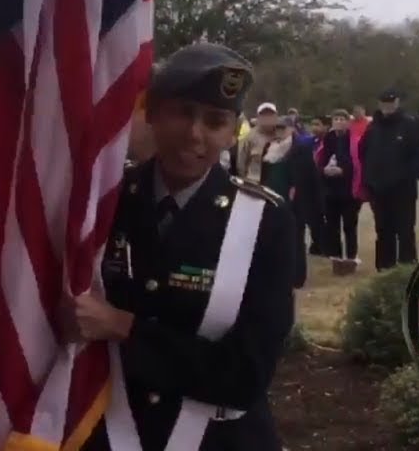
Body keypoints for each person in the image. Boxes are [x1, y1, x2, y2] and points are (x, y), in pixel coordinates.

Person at [74, 42, 295, 451]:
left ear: (232, 134)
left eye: (214, 121)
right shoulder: (108, 204)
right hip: (113, 432)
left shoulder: (264, 222)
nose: (195, 133)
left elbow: (246, 373)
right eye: (183, 112)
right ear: (153, 114)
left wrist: (124, 326)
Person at [359, 90, 419, 271]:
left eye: (391, 102)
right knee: (383, 231)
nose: (387, 106)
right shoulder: (373, 127)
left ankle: (406, 269)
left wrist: (405, 175)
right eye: (384, 102)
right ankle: (384, 269)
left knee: (405, 231)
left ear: (397, 102)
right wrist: (369, 179)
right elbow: (363, 153)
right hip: (378, 190)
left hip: (403, 190)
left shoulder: (409, 125)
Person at [260, 115, 323, 286]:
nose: (280, 131)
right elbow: (264, 173)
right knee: (273, 237)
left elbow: (309, 175)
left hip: (294, 200)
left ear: (292, 129)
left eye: (283, 128)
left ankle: (297, 276)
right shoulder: (269, 147)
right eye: (277, 128)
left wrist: (303, 194)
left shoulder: (300, 147)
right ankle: (277, 272)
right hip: (271, 195)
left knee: (295, 237)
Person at [317, 109, 359, 274]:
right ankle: (336, 259)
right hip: (330, 190)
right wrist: (324, 171)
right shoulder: (327, 139)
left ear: (348, 122)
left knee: (349, 225)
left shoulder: (353, 140)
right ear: (332, 122)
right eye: (336, 119)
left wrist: (343, 170)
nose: (339, 122)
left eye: (342, 119)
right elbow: (320, 160)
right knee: (332, 226)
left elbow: (356, 163)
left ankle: (350, 258)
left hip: (348, 190)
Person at [235, 102, 278, 181]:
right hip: (253, 183)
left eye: (270, 115)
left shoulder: (281, 135)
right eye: (264, 115)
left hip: (274, 184)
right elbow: (241, 163)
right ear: (258, 117)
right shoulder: (250, 137)